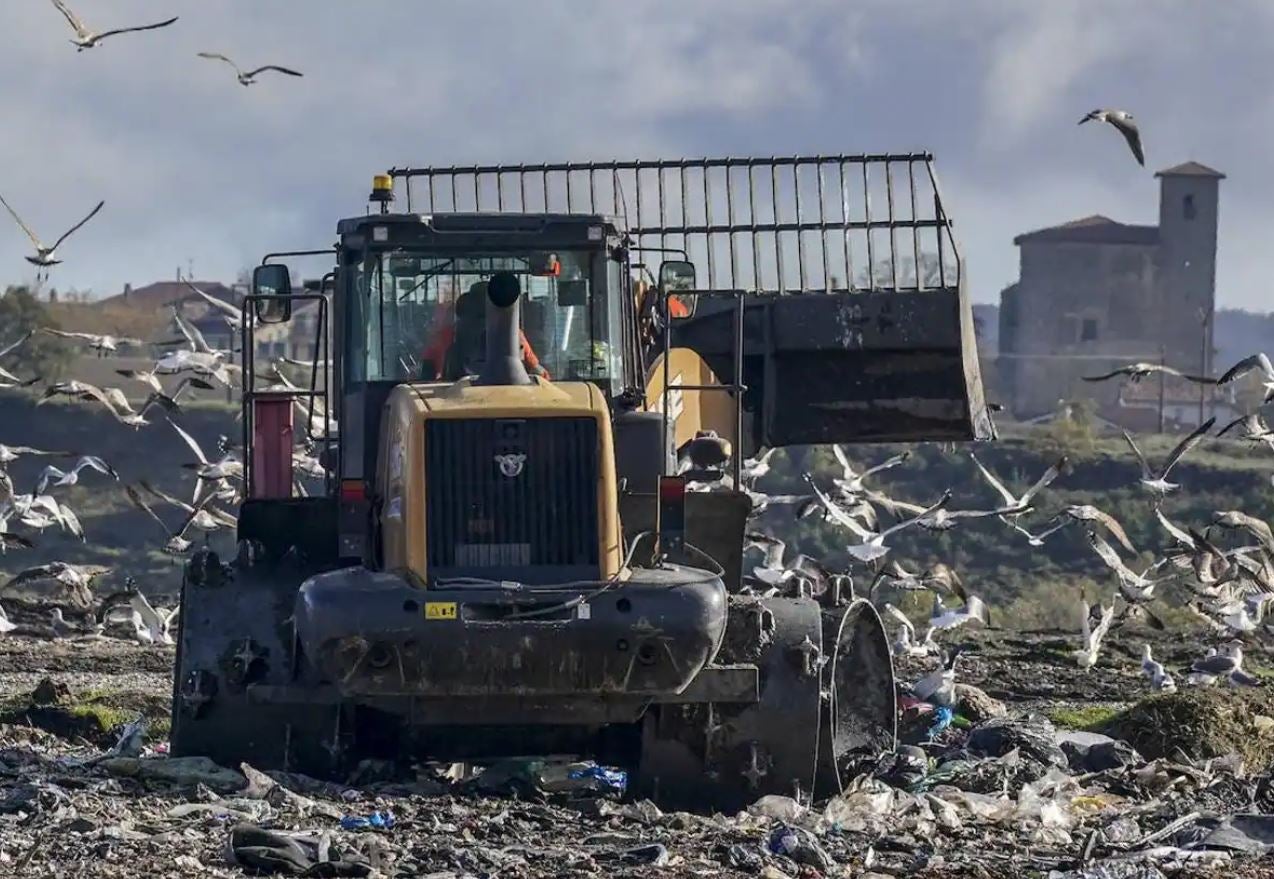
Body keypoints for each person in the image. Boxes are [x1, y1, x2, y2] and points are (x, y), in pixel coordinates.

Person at [419, 280, 549, 380]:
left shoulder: (445, 335)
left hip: (451, 406)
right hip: (511, 399)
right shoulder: (512, 334)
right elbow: (540, 374)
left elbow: (426, 377)